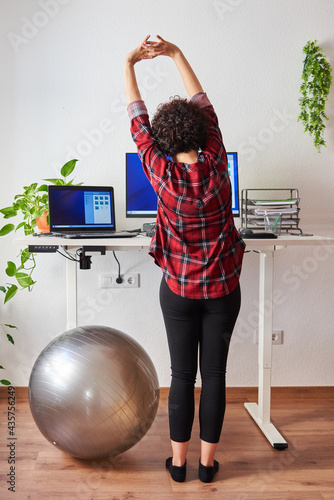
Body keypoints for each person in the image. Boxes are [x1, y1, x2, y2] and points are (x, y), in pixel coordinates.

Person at [124, 35, 245, 483]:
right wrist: (175, 54)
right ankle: (208, 465)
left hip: (177, 289)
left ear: (159, 141)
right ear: (202, 130)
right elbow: (203, 102)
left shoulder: (160, 171)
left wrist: (130, 62)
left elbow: (136, 117)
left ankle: (177, 465)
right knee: (214, 375)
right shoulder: (216, 162)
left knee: (181, 376)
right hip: (223, 290)